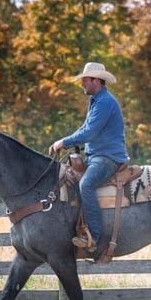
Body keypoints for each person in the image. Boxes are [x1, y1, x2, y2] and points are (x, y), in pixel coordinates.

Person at [49, 62, 129, 253]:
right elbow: (84, 129)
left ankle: (93, 236)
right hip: (96, 156)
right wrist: (68, 140)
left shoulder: (105, 102)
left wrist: (64, 142)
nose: (82, 83)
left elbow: (90, 133)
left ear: (95, 80)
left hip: (107, 157)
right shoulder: (96, 101)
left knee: (86, 184)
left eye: (85, 80)